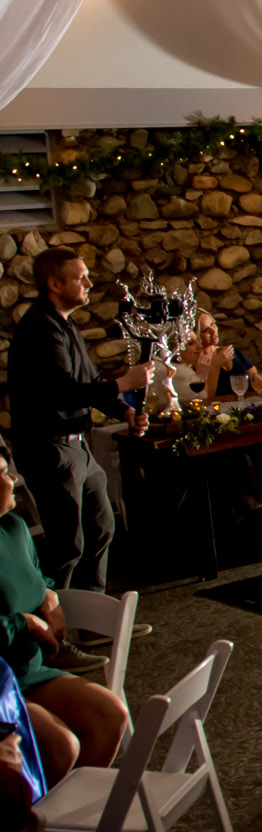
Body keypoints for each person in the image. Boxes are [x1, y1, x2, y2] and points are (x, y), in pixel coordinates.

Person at [5, 249, 151, 592]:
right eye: (79, 277)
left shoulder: (64, 324)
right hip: (50, 449)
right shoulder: (40, 328)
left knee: (101, 527)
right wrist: (125, 383)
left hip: (78, 446)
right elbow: (62, 392)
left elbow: (91, 378)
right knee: (66, 545)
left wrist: (125, 410)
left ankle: (92, 619)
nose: (88, 282)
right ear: (54, 283)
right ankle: (54, 629)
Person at [0, 452, 129, 780]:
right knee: (63, 746)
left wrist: (48, 594)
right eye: (2, 474)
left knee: (111, 715)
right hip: (1, 682)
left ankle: (65, 824)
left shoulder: (14, 526)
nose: (13, 479)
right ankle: (36, 827)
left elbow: (34, 576)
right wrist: (25, 623)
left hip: (27, 669)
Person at [177, 309, 262, 400]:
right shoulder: (196, 366)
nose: (213, 331)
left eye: (212, 324)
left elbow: (254, 376)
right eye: (205, 330)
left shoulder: (231, 351)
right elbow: (204, 397)